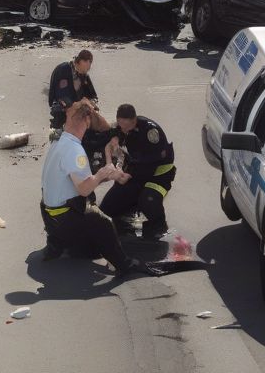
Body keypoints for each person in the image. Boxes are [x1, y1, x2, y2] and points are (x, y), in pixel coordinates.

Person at [39, 101, 158, 277]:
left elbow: (72, 180)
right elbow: (84, 189)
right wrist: (102, 174)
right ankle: (124, 265)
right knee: (103, 222)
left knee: (85, 215)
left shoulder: (59, 142)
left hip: (48, 214)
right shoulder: (75, 150)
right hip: (64, 218)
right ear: (86, 121)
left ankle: (55, 245)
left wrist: (107, 176)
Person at [100, 105, 175, 240]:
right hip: (135, 171)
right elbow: (115, 132)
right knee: (107, 207)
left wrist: (130, 172)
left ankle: (159, 225)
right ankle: (130, 211)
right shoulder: (122, 126)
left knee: (147, 199)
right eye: (121, 125)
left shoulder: (150, 131)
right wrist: (116, 138)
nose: (124, 130)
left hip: (158, 175)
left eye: (126, 127)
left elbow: (156, 158)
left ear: (134, 120)